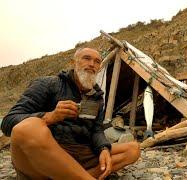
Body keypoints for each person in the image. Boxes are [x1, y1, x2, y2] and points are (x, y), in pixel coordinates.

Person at [1, 48, 140, 179]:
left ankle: (70, 176)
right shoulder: (48, 84)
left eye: (97, 61)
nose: (92, 64)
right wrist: (51, 116)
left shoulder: (97, 96)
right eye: (86, 58)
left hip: (80, 154)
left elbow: (97, 130)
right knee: (28, 127)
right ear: (73, 63)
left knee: (133, 149)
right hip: (44, 157)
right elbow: (8, 122)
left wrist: (103, 148)